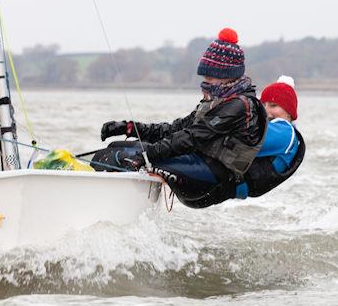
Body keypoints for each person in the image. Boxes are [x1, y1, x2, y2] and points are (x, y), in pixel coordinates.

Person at [96, 28, 267, 205]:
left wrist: (146, 155)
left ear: (226, 77)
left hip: (212, 176)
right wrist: (130, 127)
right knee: (116, 147)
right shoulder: (216, 101)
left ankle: (108, 205)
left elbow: (191, 137)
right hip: (195, 163)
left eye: (209, 77)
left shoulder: (238, 106)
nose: (204, 83)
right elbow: (175, 129)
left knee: (123, 158)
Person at [181, 75, 306, 208]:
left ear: (289, 112)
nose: (267, 111)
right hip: (212, 189)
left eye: (274, 105)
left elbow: (245, 141)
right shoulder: (277, 129)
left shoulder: (285, 132)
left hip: (215, 183)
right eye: (263, 105)